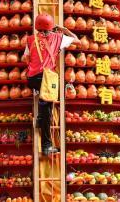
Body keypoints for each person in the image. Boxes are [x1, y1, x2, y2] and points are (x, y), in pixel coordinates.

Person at [24, 14, 81, 155]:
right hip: (46, 79)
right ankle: (46, 146)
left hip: (32, 78)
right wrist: (65, 29)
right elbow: (78, 41)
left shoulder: (30, 39)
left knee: (44, 105)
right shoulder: (58, 37)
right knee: (47, 113)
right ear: (51, 27)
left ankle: (39, 119)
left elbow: (26, 57)